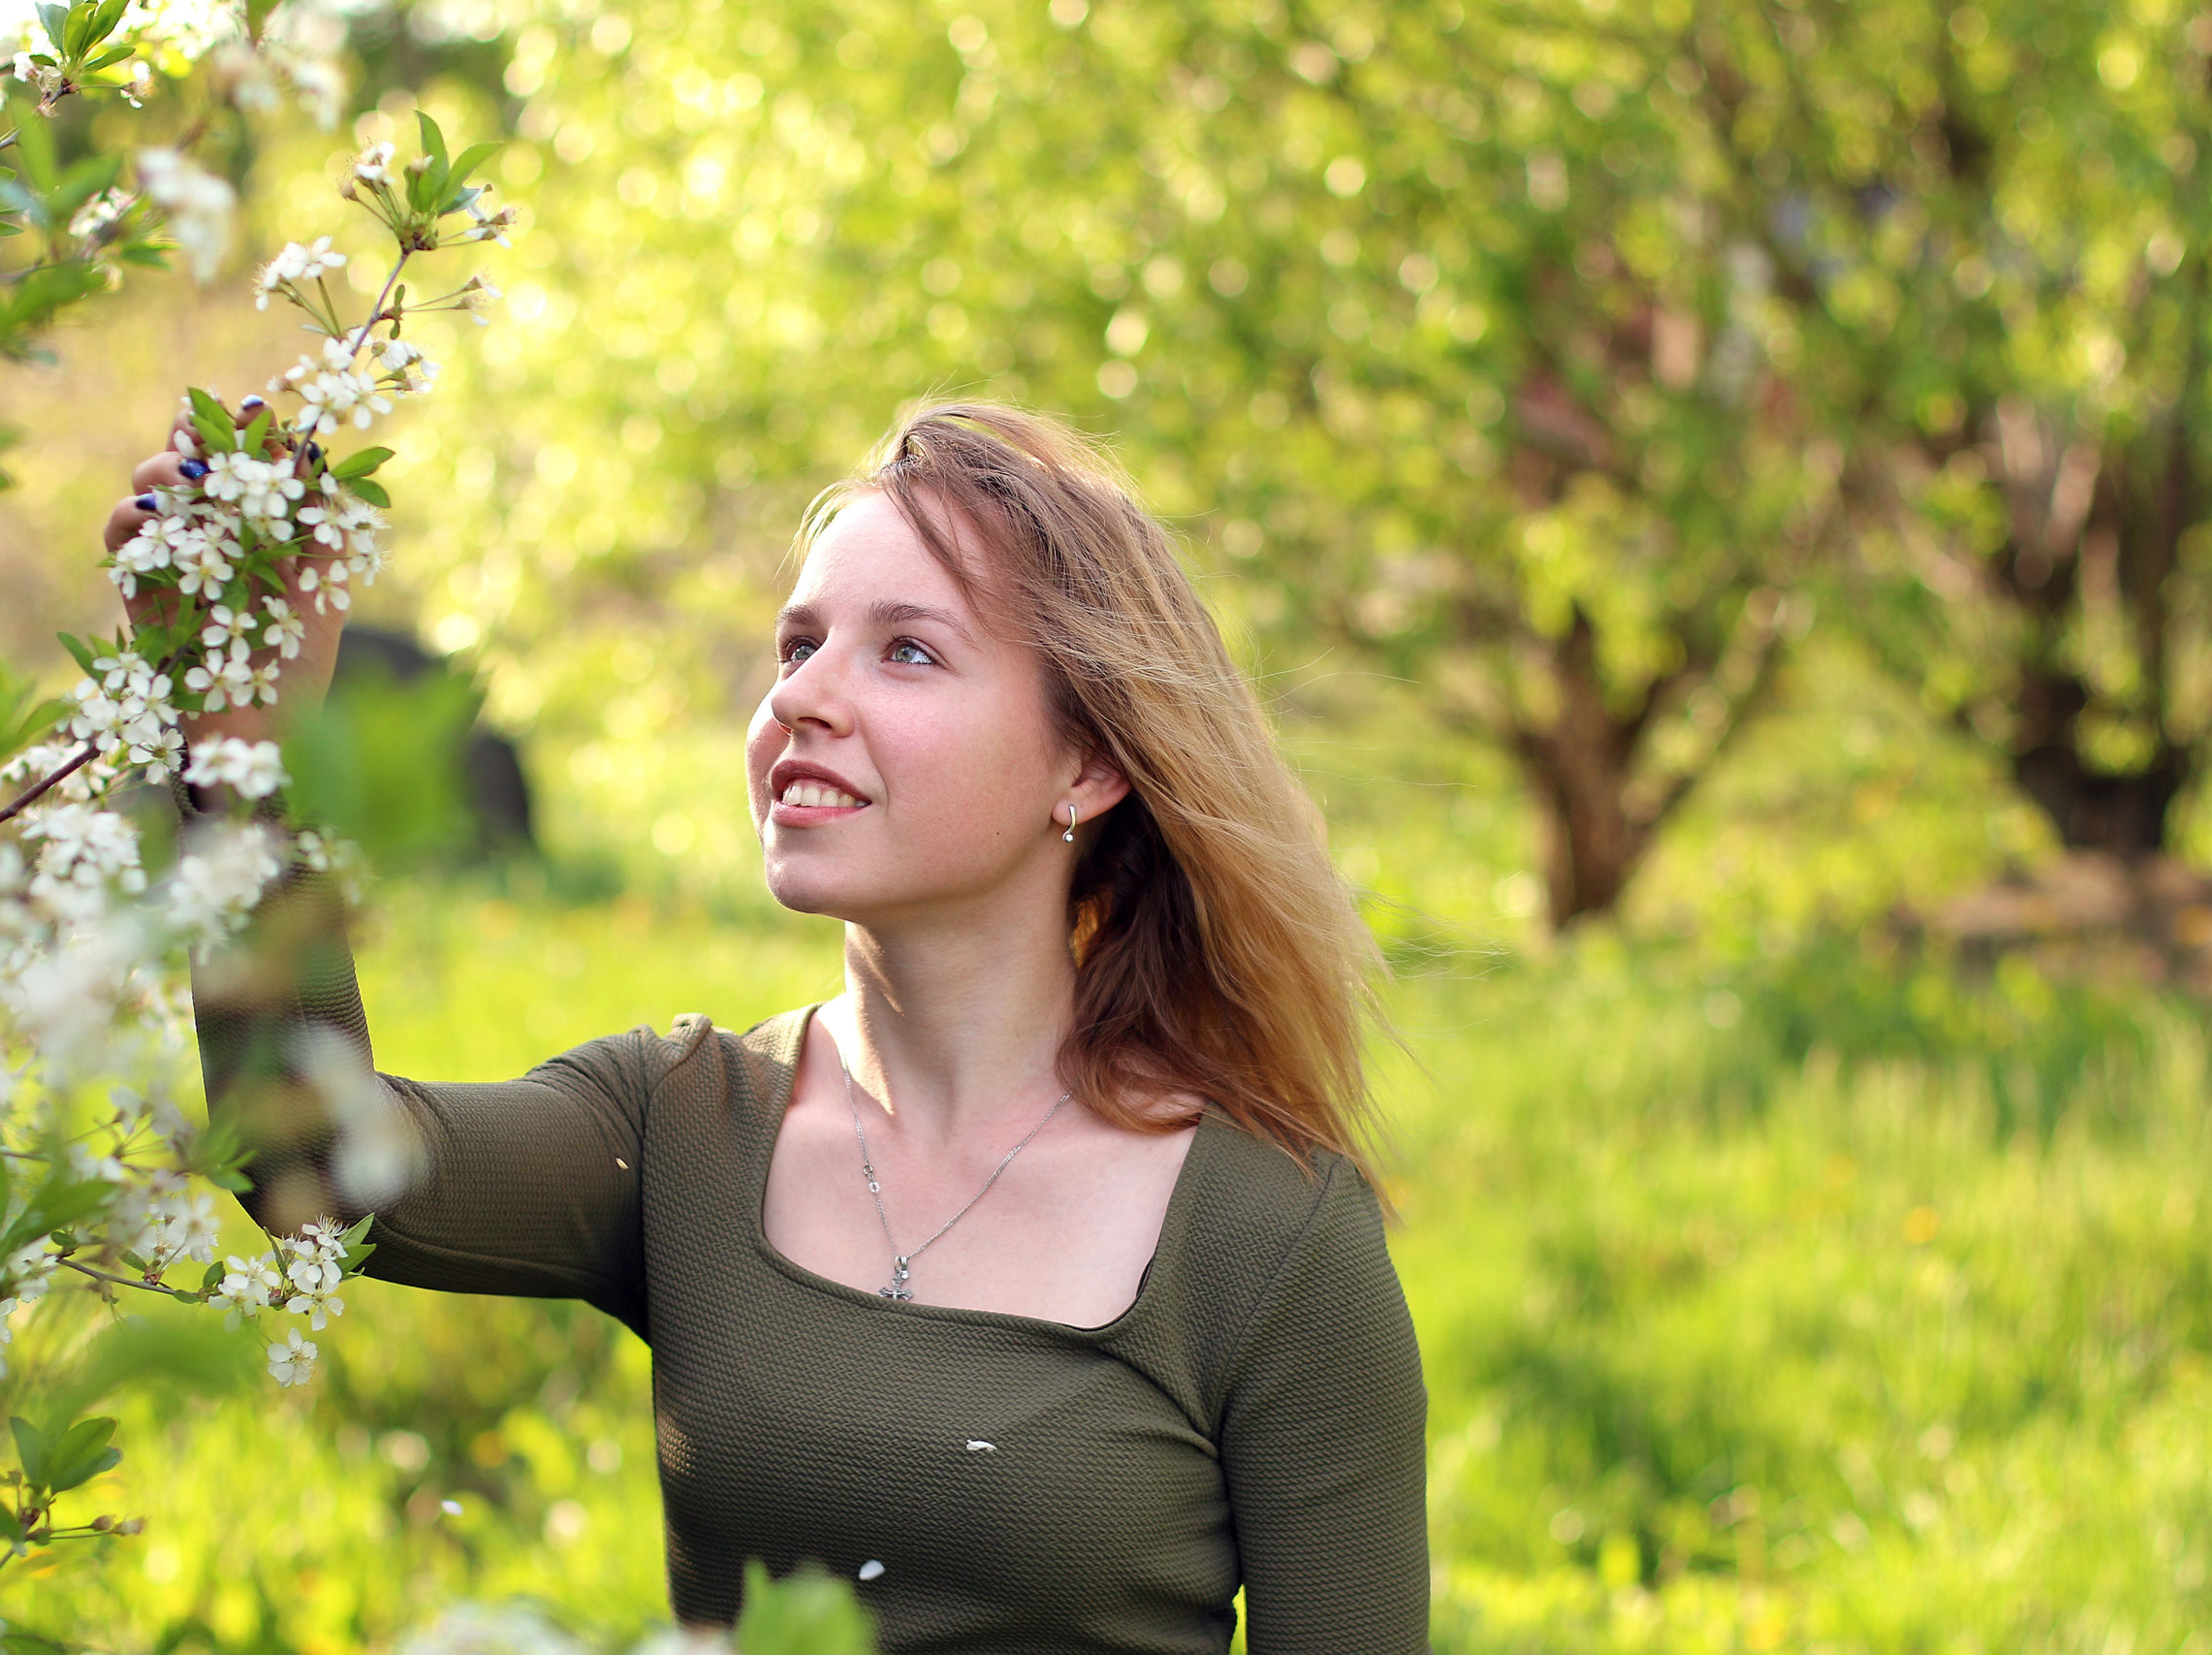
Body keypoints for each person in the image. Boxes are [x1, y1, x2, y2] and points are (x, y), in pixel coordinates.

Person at [103, 401, 1429, 1653]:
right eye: (799, 646)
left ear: (1087, 765)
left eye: (906, 650)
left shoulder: (1270, 1234)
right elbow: (318, 1167)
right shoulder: (680, 1123)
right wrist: (244, 751)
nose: (803, 696)